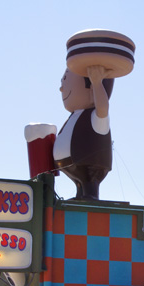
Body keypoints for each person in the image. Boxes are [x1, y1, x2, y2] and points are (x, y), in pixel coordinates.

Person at [53, 65, 114, 200]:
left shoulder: (95, 116)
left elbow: (103, 107)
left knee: (88, 186)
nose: (61, 88)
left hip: (90, 165)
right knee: (80, 186)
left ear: (89, 85)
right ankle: (80, 192)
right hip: (70, 164)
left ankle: (90, 194)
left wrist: (97, 82)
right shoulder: (75, 116)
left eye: (65, 79)